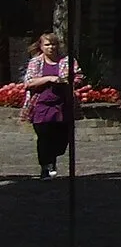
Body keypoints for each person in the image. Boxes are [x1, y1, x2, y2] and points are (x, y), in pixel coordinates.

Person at [20, 31, 81, 180]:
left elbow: (78, 76)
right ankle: (46, 167)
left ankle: (53, 156)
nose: (51, 47)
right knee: (44, 137)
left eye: (53, 44)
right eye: (47, 44)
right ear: (41, 46)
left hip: (62, 105)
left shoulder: (67, 61)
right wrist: (49, 79)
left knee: (62, 139)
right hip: (41, 105)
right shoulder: (36, 62)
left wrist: (70, 80)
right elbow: (29, 82)